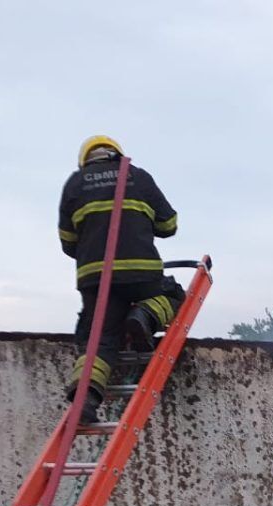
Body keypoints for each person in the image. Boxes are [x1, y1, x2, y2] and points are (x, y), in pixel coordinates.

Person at [59, 135, 183, 423]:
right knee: (173, 294)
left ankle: (85, 403)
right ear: (116, 153)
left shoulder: (74, 184)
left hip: (94, 278)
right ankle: (145, 315)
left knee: (100, 339)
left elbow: (68, 242)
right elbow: (169, 225)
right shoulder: (138, 177)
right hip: (140, 271)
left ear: (85, 159)